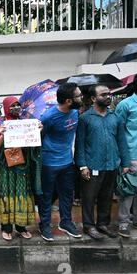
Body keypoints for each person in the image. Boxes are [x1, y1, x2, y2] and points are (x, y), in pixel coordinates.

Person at [76, 85, 130, 240]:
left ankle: (103, 224)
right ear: (93, 99)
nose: (108, 97)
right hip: (92, 165)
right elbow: (79, 145)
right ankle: (89, 226)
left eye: (109, 94)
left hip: (111, 164)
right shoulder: (85, 118)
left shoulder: (115, 117)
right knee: (89, 197)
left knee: (106, 196)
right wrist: (82, 165)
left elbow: (121, 141)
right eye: (103, 94)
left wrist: (125, 163)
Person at [0, 96, 43, 241]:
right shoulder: (0, 123)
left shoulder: (25, 122)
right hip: (6, 168)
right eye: (12, 106)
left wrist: (37, 130)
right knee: (6, 196)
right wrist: (2, 133)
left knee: (22, 195)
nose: (16, 108)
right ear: (6, 107)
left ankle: (21, 227)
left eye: (18, 105)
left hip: (22, 166)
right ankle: (6, 228)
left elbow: (33, 142)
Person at [38, 83, 82, 241]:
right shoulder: (48, 117)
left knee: (67, 194)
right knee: (46, 196)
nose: (81, 98)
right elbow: (40, 138)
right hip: (49, 163)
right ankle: (44, 224)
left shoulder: (75, 112)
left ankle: (66, 222)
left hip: (67, 162)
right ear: (69, 100)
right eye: (78, 96)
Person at [115, 73, 137, 238]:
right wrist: (123, 157)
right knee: (129, 190)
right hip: (132, 154)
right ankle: (124, 222)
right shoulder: (125, 105)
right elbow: (118, 131)